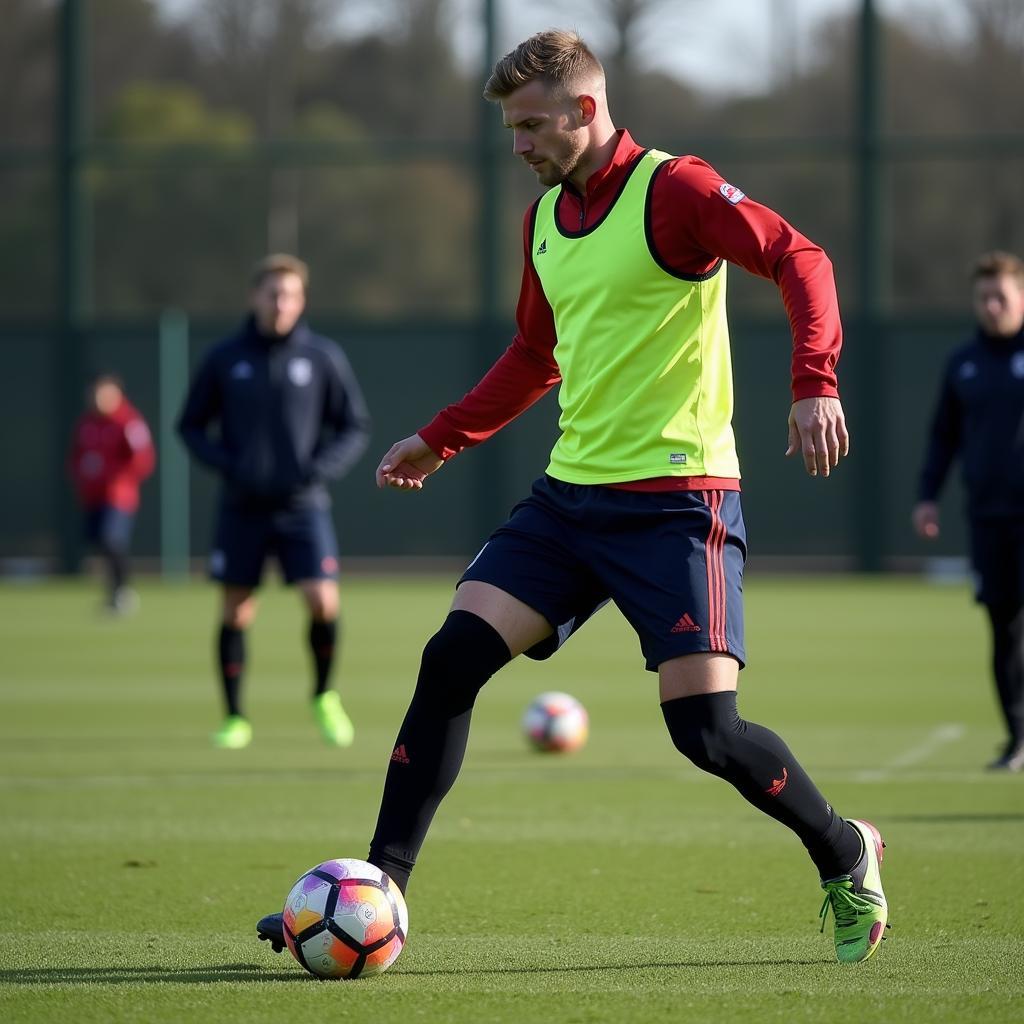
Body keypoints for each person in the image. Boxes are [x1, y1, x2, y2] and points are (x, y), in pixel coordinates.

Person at [256, 31, 887, 964]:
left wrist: (815, 379)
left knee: (706, 734)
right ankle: (379, 887)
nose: (519, 146)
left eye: (529, 126)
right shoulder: (546, 218)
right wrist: (441, 439)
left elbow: (803, 260)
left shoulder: (675, 189)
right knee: (450, 661)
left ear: (586, 110)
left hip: (680, 504)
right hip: (569, 502)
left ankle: (846, 849)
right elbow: (534, 356)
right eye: (511, 129)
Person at [178, 253, 371, 750]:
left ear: (302, 300)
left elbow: (354, 426)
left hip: (303, 504)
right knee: (236, 610)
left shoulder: (321, 357)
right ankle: (235, 716)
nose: (280, 303)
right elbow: (190, 425)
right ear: (254, 297)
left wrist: (317, 468)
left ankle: (325, 696)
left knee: (322, 601)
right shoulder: (225, 358)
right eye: (272, 293)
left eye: (289, 294)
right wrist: (228, 465)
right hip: (242, 505)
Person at [913, 251, 1024, 773]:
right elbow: (943, 436)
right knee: (1004, 629)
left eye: (1001, 295)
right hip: (988, 517)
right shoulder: (963, 363)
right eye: (984, 297)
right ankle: (1017, 739)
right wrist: (927, 494)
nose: (992, 305)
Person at [68, 374, 155, 614]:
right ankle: (114, 591)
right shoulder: (86, 424)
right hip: (92, 496)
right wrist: (82, 478)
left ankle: (123, 591)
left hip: (118, 496)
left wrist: (118, 477)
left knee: (112, 540)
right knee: (99, 543)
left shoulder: (128, 422)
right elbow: (76, 457)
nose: (99, 399)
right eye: (96, 394)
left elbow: (142, 458)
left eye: (105, 394)